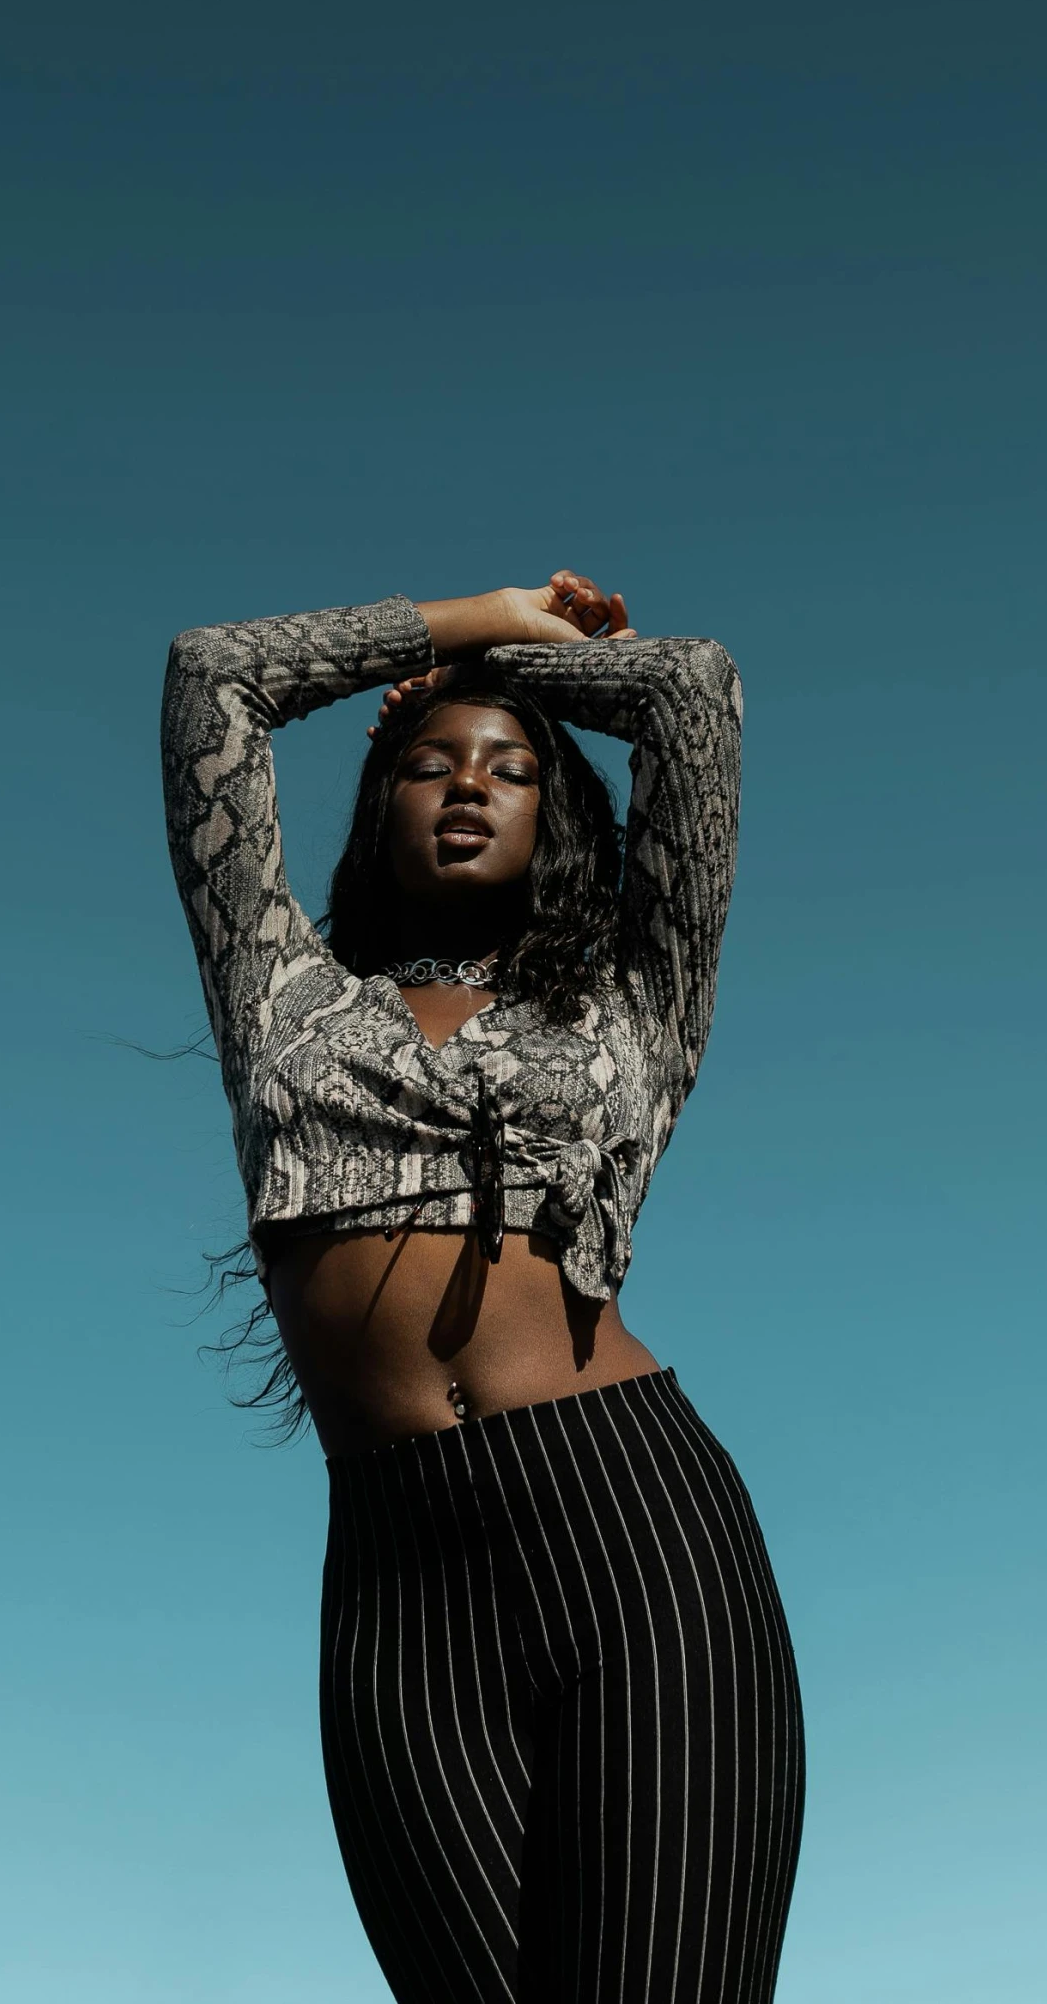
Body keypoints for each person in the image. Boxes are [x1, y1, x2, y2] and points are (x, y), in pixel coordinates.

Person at [160, 570, 804, 2004]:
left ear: (553, 813)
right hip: (396, 1587)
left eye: (510, 770)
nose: (469, 786)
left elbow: (694, 693)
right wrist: (467, 618)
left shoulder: (637, 993)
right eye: (428, 763)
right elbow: (215, 674)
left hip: (634, 1533)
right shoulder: (280, 989)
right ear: (378, 802)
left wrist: (530, 665)